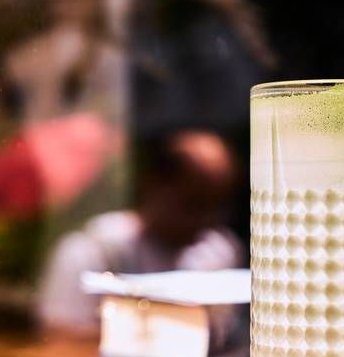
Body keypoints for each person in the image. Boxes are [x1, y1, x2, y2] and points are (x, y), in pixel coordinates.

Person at [38, 129, 244, 332]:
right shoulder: (89, 251)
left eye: (217, 206)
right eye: (193, 204)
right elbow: (63, 340)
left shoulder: (219, 254)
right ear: (154, 185)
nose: (205, 219)